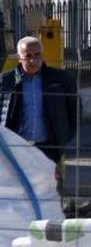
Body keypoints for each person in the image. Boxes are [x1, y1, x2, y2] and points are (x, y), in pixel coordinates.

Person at [0, 36, 78, 164]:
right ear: (19, 58)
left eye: (37, 55)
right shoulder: (6, 81)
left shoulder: (59, 79)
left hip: (49, 148)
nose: (33, 60)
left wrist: (63, 136)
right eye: (28, 55)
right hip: (16, 148)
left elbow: (74, 109)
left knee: (51, 184)